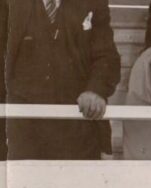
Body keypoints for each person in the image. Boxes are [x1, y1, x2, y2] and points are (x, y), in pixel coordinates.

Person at [1, 0, 121, 160]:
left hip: (76, 124)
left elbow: (106, 56)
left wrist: (95, 91)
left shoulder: (93, 3)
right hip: (23, 127)